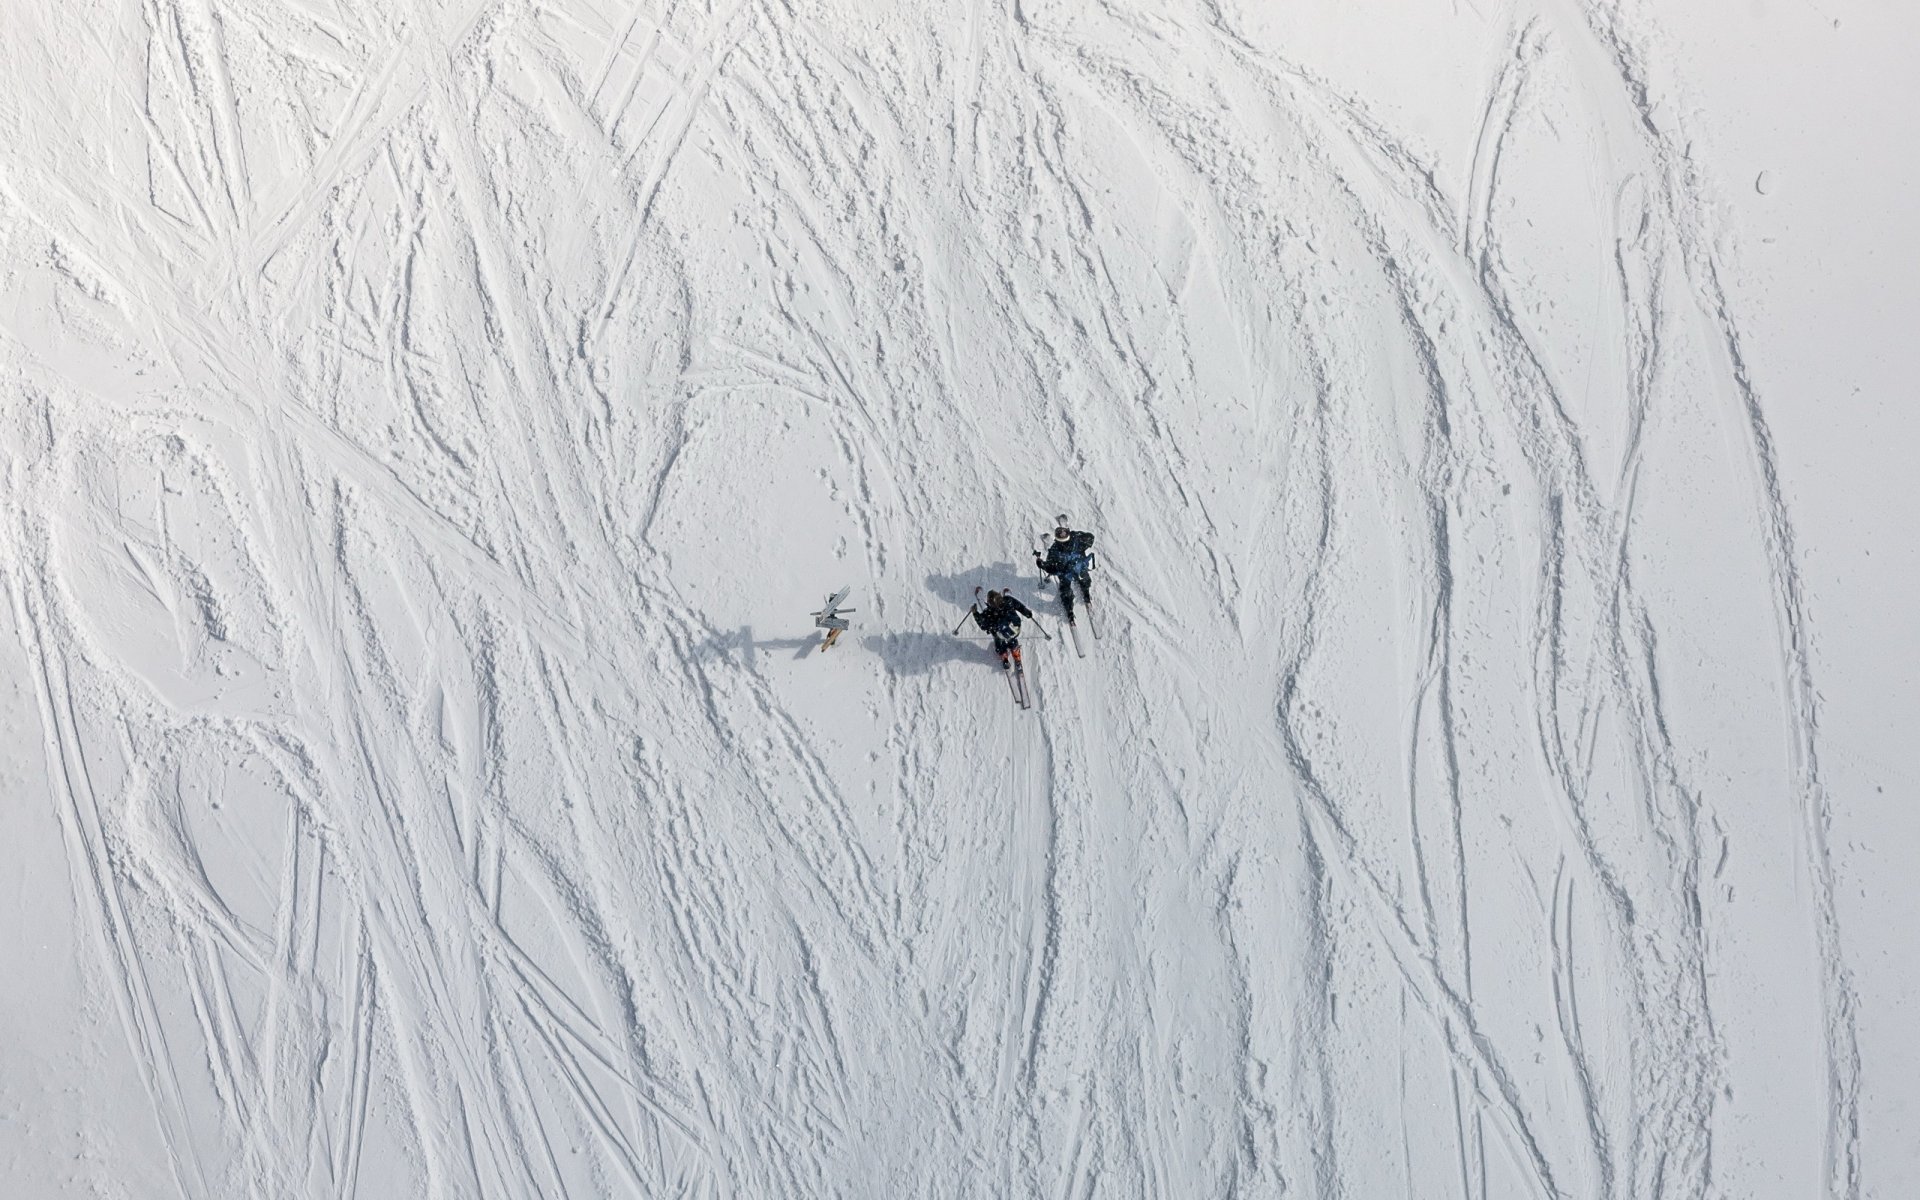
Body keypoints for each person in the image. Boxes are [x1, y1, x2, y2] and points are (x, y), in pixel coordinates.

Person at [1035, 524, 1096, 623]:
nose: (1063, 534)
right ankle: (1082, 597)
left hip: (1071, 572)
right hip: (1076, 569)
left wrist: (1042, 565)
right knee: (1079, 582)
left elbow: (1050, 568)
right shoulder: (1076, 540)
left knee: (1068, 589)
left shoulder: (1057, 549)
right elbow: (1090, 538)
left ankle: (1071, 607)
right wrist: (1077, 533)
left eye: (1064, 532)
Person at [973, 589, 1034, 668]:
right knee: (1012, 640)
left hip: (1001, 635)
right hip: (1015, 630)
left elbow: (984, 625)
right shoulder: (1008, 600)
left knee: (999, 642)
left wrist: (975, 614)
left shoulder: (989, 613)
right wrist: (1027, 612)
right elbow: (1019, 606)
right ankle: (1016, 654)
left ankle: (1004, 656)